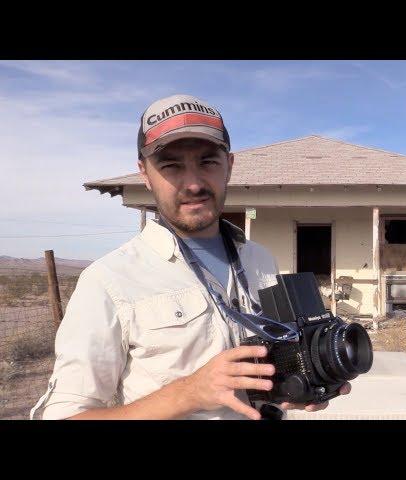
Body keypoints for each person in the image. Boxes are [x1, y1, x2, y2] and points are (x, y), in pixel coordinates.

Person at [31, 94, 350, 420]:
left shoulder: (259, 260)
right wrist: (188, 393)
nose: (194, 183)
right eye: (171, 165)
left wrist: (294, 387)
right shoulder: (109, 281)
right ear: (144, 173)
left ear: (229, 165)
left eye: (208, 162)